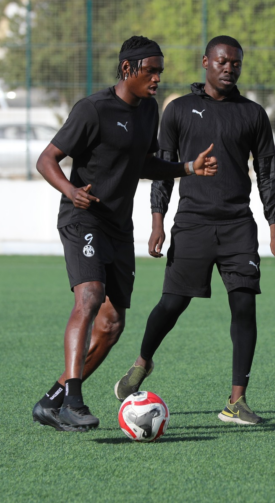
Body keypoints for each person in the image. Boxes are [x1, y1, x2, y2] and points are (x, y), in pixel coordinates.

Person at [32, 36, 218, 432]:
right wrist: (71, 190)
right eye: (150, 71)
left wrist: (187, 168)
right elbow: (46, 159)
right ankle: (74, 401)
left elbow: (143, 164)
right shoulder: (92, 109)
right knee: (90, 297)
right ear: (127, 69)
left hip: (119, 227)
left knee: (113, 324)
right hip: (83, 219)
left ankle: (53, 399)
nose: (157, 79)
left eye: (160, 72)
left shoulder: (150, 111)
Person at [113, 35, 275, 425]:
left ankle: (236, 401)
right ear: (206, 62)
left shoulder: (253, 114)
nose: (230, 68)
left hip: (238, 226)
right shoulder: (178, 110)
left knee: (244, 304)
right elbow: (162, 169)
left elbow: (267, 175)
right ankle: (142, 363)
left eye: (236, 63)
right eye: (223, 62)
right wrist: (157, 221)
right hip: (192, 224)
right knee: (172, 305)